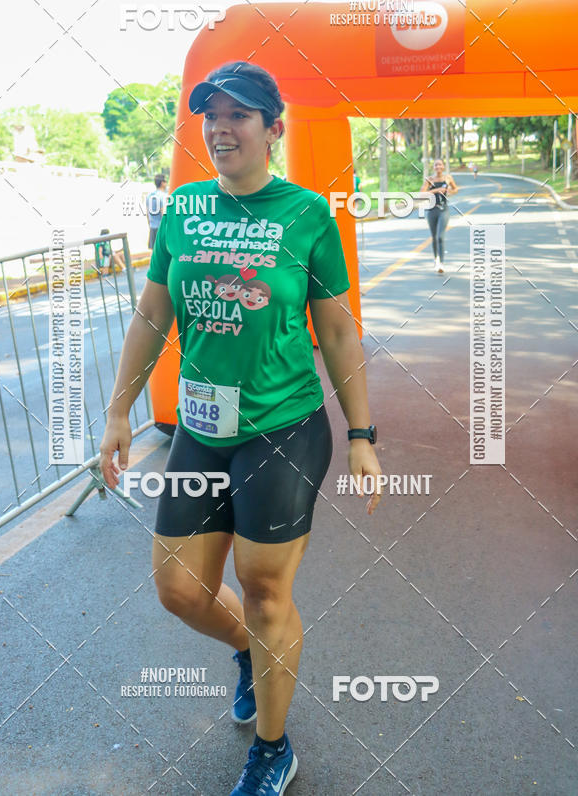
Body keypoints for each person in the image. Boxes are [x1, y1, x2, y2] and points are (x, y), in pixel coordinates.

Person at [99, 61, 383, 795]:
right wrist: (119, 410)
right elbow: (152, 313)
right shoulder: (184, 208)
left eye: (239, 115)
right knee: (180, 589)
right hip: (201, 428)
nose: (221, 129)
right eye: (211, 116)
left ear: (272, 128)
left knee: (263, 591)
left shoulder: (307, 214)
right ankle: (252, 656)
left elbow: (337, 332)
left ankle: (273, 748)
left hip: (282, 428)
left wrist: (362, 435)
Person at [421, 158, 459, 273]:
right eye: (436, 165)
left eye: (440, 165)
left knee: (440, 237)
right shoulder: (429, 179)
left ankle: (441, 263)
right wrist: (437, 190)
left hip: (443, 210)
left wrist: (449, 192)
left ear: (443, 166)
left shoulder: (448, 178)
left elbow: (455, 189)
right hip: (432, 210)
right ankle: (436, 260)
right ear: (433, 167)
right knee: (434, 237)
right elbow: (422, 194)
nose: (438, 167)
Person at [146, 173, 167, 249]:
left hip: (152, 227)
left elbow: (147, 213)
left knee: (154, 251)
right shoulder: (163, 196)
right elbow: (163, 214)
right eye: (165, 181)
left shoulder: (149, 196)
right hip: (161, 228)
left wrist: (150, 225)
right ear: (162, 183)